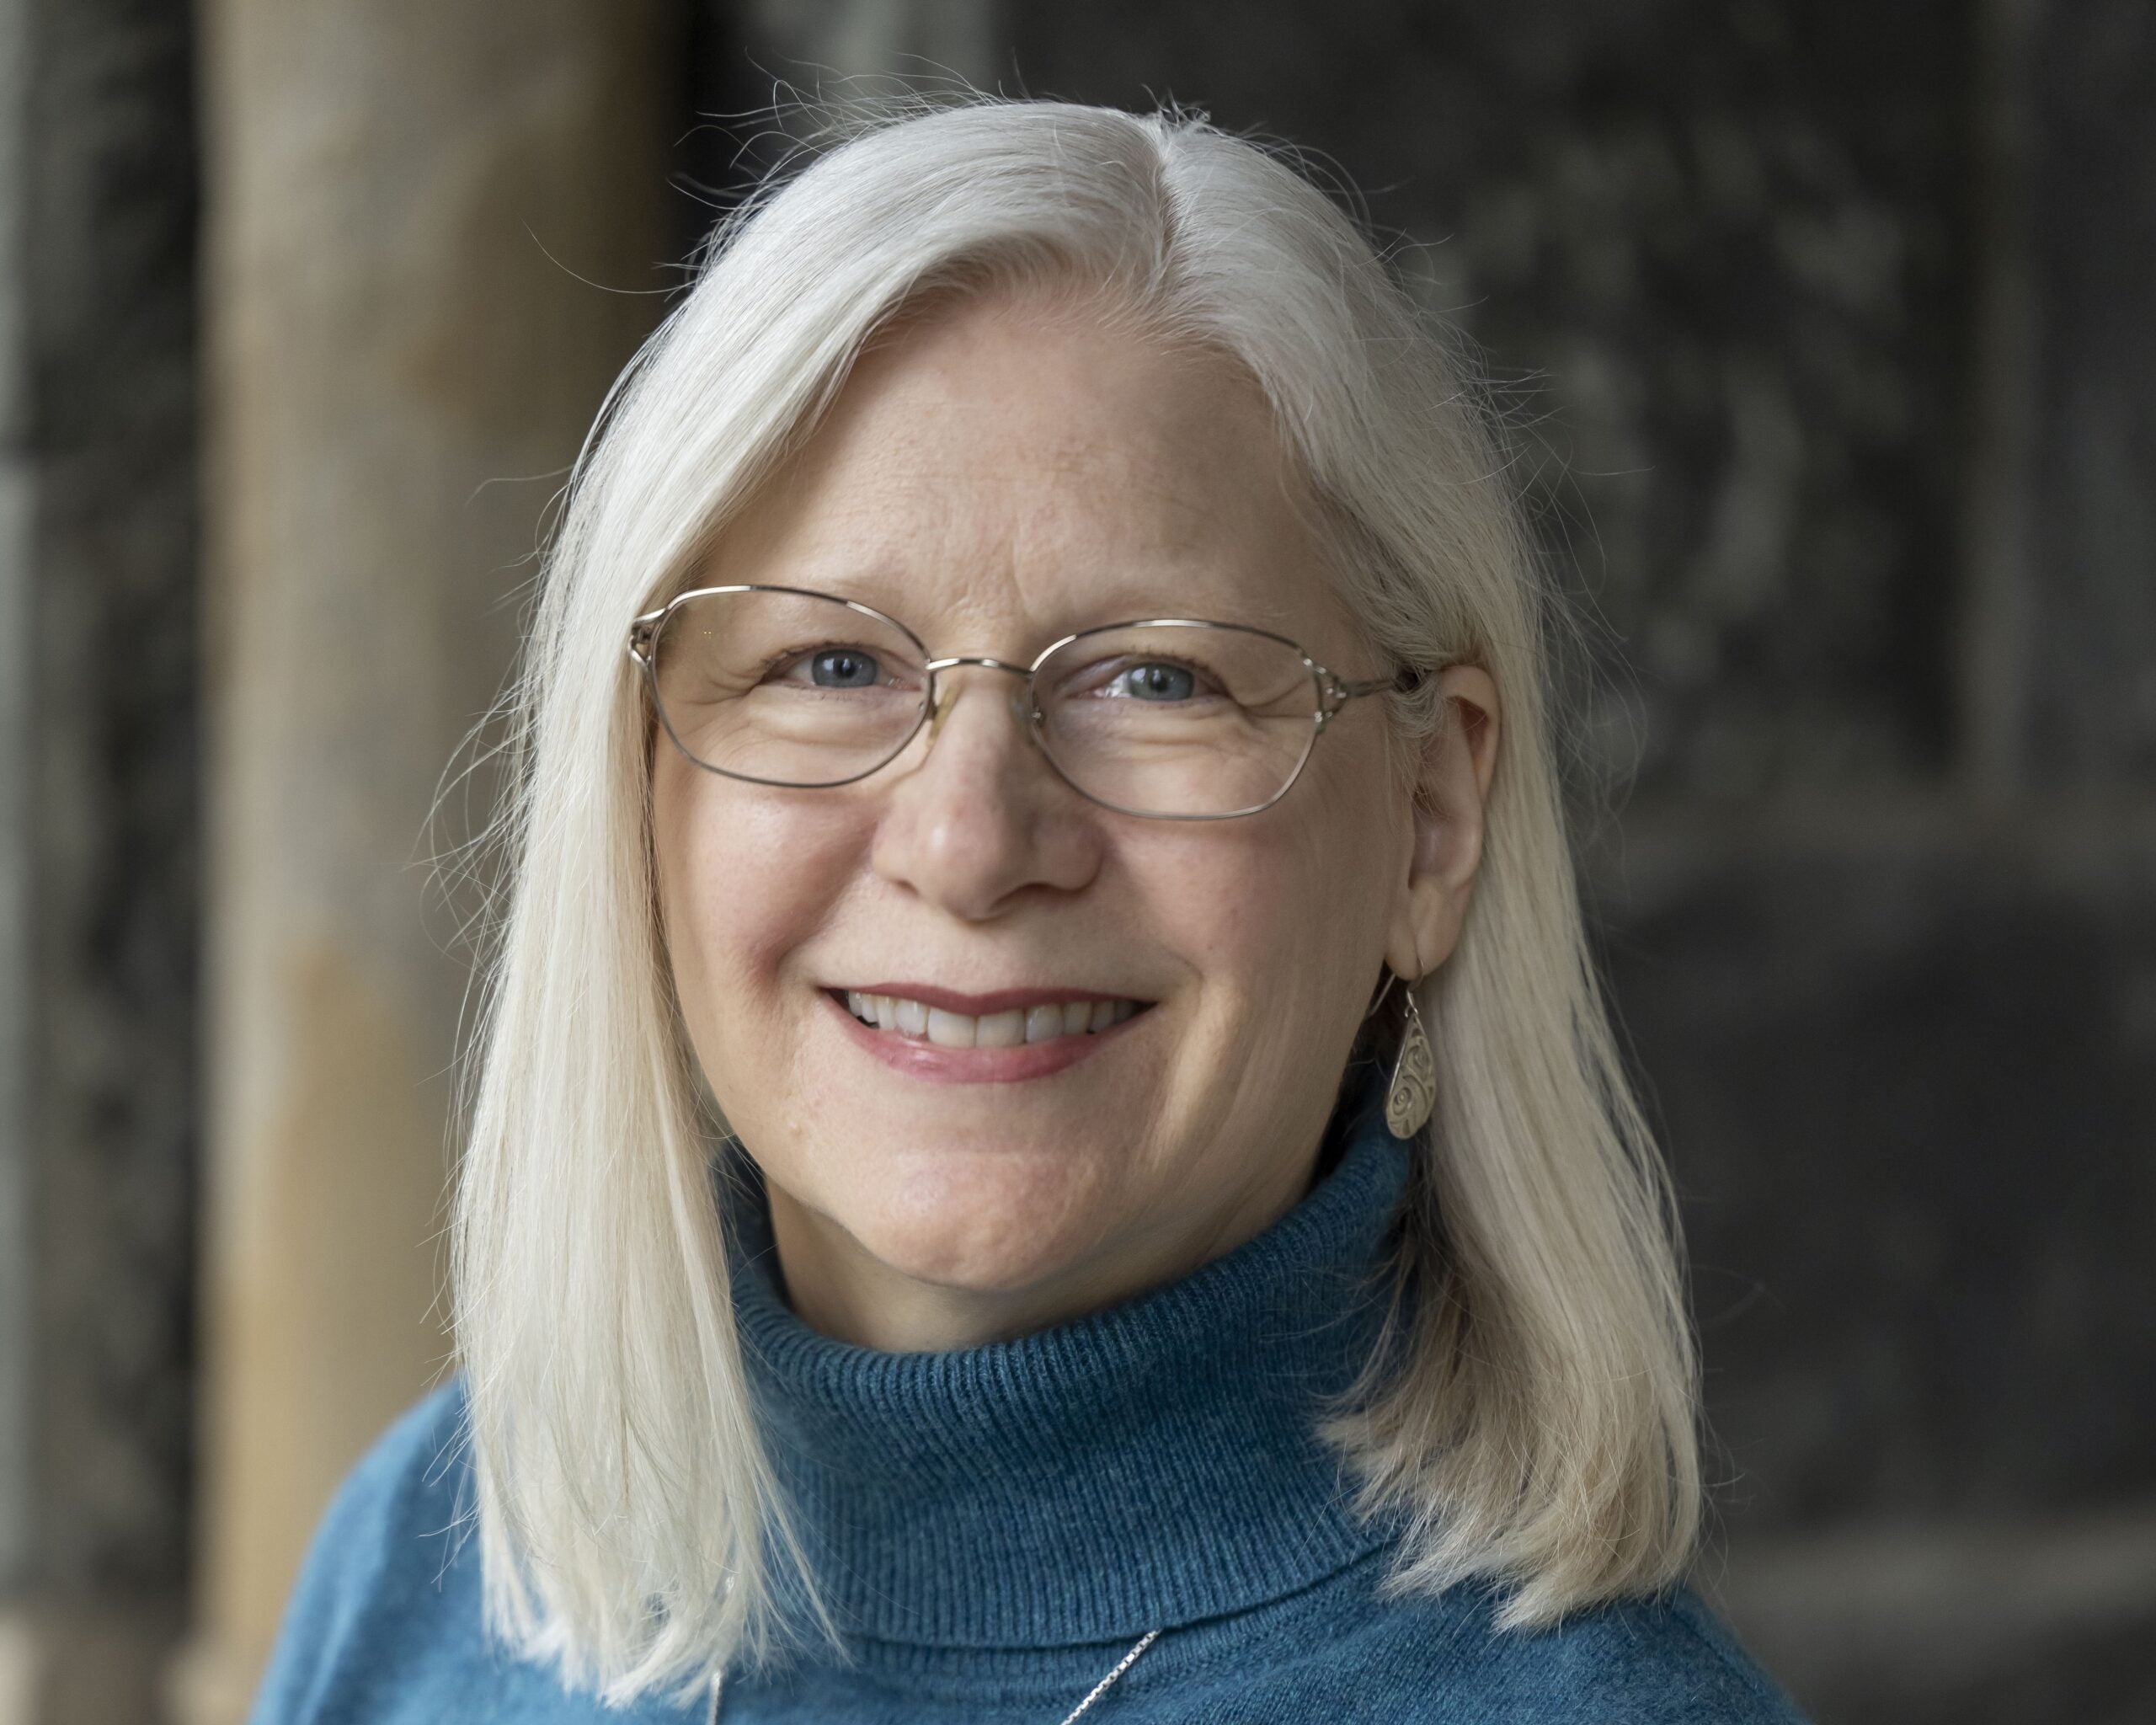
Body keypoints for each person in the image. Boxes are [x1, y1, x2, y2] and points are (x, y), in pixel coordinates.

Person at [249, 98, 1808, 1722]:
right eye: (828, 664)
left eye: (1159, 680)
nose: (971, 840)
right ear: (637, 787)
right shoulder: (438, 1567)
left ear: (1430, 820)